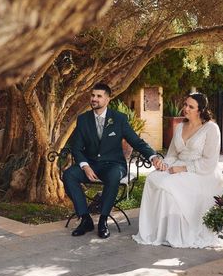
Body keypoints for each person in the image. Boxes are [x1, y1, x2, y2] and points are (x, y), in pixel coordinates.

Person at [63, 83, 162, 239]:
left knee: (113, 175)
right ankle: (85, 218)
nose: (94, 99)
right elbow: (76, 148)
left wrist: (152, 156)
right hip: (91, 165)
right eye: (93, 95)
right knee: (69, 175)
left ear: (107, 99)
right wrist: (85, 166)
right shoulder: (83, 120)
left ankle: (103, 220)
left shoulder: (119, 119)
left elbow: (136, 142)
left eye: (99, 96)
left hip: (114, 165)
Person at [133, 92, 223, 248]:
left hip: (201, 172)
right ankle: (157, 231)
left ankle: (176, 234)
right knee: (153, 178)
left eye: (191, 107)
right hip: (177, 165)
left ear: (201, 110)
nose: (186, 108)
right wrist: (164, 165)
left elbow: (209, 162)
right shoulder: (180, 127)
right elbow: (172, 154)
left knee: (169, 186)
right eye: (185, 105)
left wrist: (183, 168)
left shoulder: (211, 128)